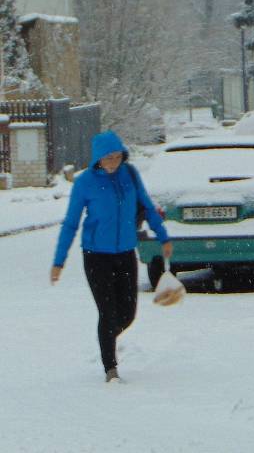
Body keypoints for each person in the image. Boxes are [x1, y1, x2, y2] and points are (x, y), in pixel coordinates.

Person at [50, 130, 172, 383]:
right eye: (108, 159)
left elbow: (147, 206)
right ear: (98, 159)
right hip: (96, 256)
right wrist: (58, 261)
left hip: (126, 252)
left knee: (127, 313)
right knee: (107, 311)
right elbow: (71, 223)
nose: (113, 163)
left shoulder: (130, 174)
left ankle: (106, 338)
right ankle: (111, 369)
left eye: (117, 157)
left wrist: (163, 236)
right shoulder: (85, 183)